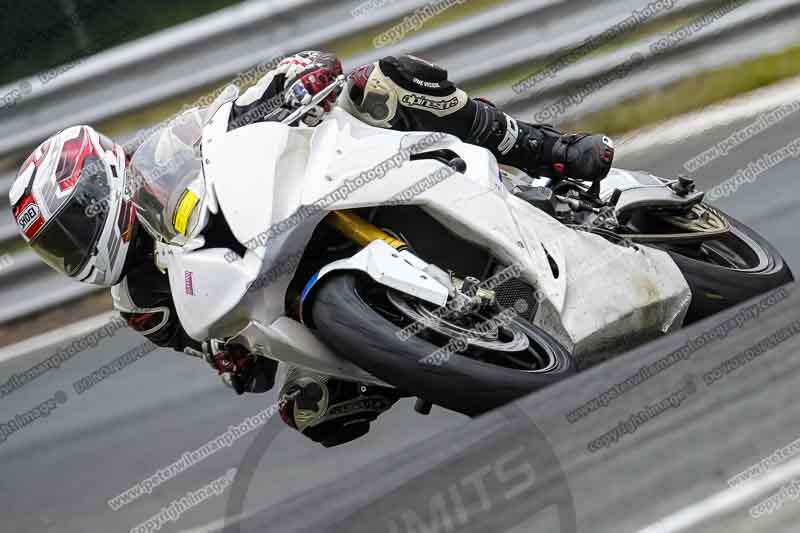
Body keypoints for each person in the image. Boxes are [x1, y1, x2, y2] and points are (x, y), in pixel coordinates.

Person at [10, 51, 614, 447]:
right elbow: (233, 362)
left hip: (310, 187)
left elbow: (230, 118)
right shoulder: (139, 301)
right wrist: (231, 361)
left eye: (74, 226)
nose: (76, 248)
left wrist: (292, 82)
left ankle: (545, 149)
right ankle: (448, 360)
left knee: (385, 83)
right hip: (284, 305)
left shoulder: (164, 156)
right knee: (311, 411)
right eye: (59, 248)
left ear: (101, 187)